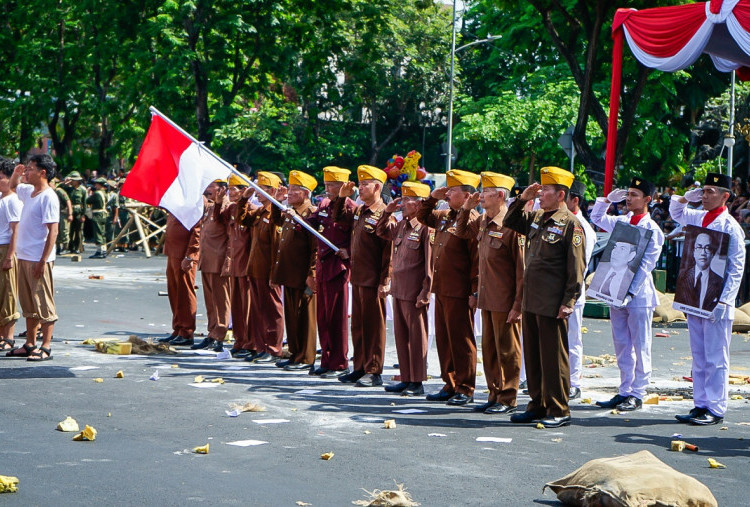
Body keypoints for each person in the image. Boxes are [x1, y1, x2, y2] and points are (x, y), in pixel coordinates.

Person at [503, 166, 586, 428]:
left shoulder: (571, 224)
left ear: (561, 194)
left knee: (554, 359)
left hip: (552, 302)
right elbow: (511, 222)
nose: (541, 194)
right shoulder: (538, 217)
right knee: (535, 357)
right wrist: (523, 199)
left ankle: (559, 408)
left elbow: (576, 268)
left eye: (545, 190)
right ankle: (537, 404)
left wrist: (569, 301)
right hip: (532, 299)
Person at [670, 172, 746, 425]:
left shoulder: (730, 226)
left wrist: (725, 301)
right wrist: (684, 198)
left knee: (716, 356)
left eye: (710, 191)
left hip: (717, 299)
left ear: (725, 196)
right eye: (703, 191)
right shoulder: (699, 217)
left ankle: (715, 407)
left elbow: (736, 267)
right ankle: (700, 403)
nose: (704, 196)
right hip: (696, 294)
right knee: (699, 354)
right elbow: (676, 213)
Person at [590, 177, 664, 412]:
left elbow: (646, 264)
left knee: (640, 345)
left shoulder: (652, 229)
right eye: (628, 194)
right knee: (622, 344)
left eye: (634, 195)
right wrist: (605, 201)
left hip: (638, 294)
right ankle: (624, 390)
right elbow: (597, 218)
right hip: (616, 290)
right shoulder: (623, 221)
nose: (628, 199)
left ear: (647, 200)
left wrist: (629, 292)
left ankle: (638, 393)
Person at [455, 172, 524, 415]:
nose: (481, 195)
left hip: (505, 300)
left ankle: (508, 397)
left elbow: (521, 270)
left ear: (501, 196)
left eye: (486, 191)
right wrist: (466, 208)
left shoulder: (513, 225)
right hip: (487, 297)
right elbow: (461, 231)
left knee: (507, 350)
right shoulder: (484, 220)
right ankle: (494, 393)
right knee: (491, 350)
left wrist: (518, 305)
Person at [416, 169, 480, 406]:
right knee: (444, 339)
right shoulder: (445, 216)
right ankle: (450, 382)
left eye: (452, 190)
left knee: (461, 339)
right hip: (442, 288)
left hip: (460, 290)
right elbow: (424, 216)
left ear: (466, 196)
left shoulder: (472, 220)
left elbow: (476, 259)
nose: (448, 193)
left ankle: (465, 386)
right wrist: (433, 197)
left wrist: (474, 290)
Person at [333, 165, 392, 387]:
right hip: (358, 276)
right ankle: (359, 367)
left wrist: (385, 280)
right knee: (358, 326)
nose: (360, 187)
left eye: (365, 183)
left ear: (377, 187)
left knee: (374, 327)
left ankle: (374, 370)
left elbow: (389, 252)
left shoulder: (383, 214)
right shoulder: (360, 211)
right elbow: (338, 217)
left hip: (373, 278)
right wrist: (342, 198)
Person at [376, 181, 433, 396]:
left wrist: (425, 292)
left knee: (417, 337)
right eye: (404, 198)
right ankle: (406, 377)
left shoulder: (425, 228)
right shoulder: (402, 224)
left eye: (410, 199)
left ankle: (417, 381)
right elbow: (382, 232)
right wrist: (386, 212)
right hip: (399, 291)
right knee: (401, 337)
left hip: (414, 292)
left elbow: (429, 265)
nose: (405, 202)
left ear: (420, 204)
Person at [5, 154, 59, 361]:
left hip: (38, 258)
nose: (26, 171)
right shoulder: (29, 191)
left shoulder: (49, 196)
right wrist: (17, 175)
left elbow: (52, 231)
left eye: (30, 169)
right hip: (24, 256)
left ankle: (45, 346)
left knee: (44, 303)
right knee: (28, 304)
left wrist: (43, 261)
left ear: (42, 172)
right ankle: (30, 343)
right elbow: (12, 188)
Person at [305, 166, 355, 378]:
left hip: (338, 267)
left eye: (332, 185)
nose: (327, 189)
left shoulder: (350, 207)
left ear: (343, 186)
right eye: (325, 185)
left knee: (337, 318)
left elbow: (355, 235)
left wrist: (349, 253)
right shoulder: (324, 204)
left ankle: (339, 361)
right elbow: (310, 225)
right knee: (323, 316)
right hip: (323, 266)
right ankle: (326, 359)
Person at [271, 170, 319, 370]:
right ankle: (294, 352)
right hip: (289, 273)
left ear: (306, 193)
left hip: (303, 275)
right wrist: (276, 201)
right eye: (289, 189)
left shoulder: (311, 215)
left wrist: (312, 274)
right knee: (292, 316)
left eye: (294, 190)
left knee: (305, 318)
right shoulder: (291, 212)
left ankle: (306, 357)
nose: (289, 193)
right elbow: (277, 221)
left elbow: (316, 248)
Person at [240, 172, 284, 363]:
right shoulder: (259, 212)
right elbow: (243, 219)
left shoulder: (276, 212)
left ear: (273, 191)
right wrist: (244, 198)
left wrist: (275, 273)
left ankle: (273, 348)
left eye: (261, 190)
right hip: (255, 268)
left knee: (272, 310)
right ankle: (261, 346)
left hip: (268, 270)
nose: (257, 195)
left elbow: (276, 244)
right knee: (258, 310)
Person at [192, 179, 231, 352]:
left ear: (222, 189)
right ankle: (211, 332)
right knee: (210, 301)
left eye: (211, 187)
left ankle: (220, 335)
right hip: (207, 260)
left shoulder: (226, 207)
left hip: (219, 261)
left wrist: (228, 262)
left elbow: (230, 237)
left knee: (221, 302)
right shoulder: (209, 207)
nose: (207, 190)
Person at [566, 180, 596, 399]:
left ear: (575, 200)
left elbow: (579, 267)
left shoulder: (582, 227)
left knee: (572, 339)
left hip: (572, 293)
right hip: (554, 292)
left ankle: (573, 381)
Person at [158, 209, 201, 346]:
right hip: (173, 251)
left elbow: (198, 232)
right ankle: (178, 328)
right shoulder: (177, 202)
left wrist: (190, 256)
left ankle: (186, 331)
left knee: (184, 292)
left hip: (184, 255)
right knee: (174, 292)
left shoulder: (194, 202)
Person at [226, 174, 254, 358]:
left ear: (244, 191)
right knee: (236, 305)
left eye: (233, 190)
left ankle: (249, 342)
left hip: (247, 265)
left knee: (247, 306)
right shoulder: (232, 210)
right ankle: (239, 340)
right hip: (235, 263)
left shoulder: (251, 211)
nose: (230, 193)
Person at [0, 157, 22, 352]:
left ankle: (9, 337)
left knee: (8, 293)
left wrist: (9, 256)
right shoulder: (1, 198)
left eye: (0, 178)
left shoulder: (12, 200)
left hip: (6, 248)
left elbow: (16, 230)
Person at [675, 232, 724, 310]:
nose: (703, 253)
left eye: (707, 248)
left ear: (712, 253)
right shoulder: (682, 276)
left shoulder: (720, 281)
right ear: (693, 252)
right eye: (699, 247)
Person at [591, 228, 639, 301]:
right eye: (615, 247)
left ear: (631, 255)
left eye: (622, 249)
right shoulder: (600, 271)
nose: (615, 252)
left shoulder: (631, 277)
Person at [86, 177, 109, 258]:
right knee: (102, 233)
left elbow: (88, 201)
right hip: (104, 214)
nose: (95, 186)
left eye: (96, 184)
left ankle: (99, 251)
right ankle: (104, 250)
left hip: (97, 214)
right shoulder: (105, 193)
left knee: (98, 233)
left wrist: (88, 193)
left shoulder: (97, 193)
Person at [65, 171, 86, 253]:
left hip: (78, 212)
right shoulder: (69, 189)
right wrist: (66, 182)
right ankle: (70, 247)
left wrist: (83, 215)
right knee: (70, 231)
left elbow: (84, 203)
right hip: (70, 211)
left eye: (73, 180)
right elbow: (59, 188)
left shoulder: (82, 190)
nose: (72, 182)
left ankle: (77, 247)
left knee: (78, 231)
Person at [51, 177, 72, 255]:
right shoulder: (51, 192)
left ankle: (65, 247)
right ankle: (58, 247)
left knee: (64, 230)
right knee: (57, 231)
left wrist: (70, 214)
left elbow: (68, 201)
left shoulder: (59, 191)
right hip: (56, 213)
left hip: (63, 213)